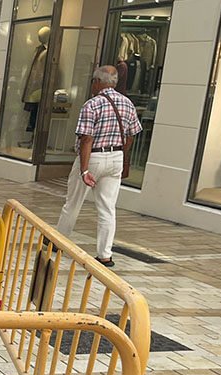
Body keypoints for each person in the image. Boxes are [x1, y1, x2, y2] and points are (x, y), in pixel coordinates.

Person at [55, 65, 141, 268]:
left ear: (98, 82)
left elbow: (86, 139)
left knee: (73, 202)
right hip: (116, 157)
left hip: (93, 157)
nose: (92, 85)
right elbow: (131, 136)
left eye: (93, 81)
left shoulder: (92, 105)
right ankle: (105, 254)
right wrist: (121, 154)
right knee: (107, 208)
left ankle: (59, 241)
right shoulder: (128, 103)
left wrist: (84, 170)